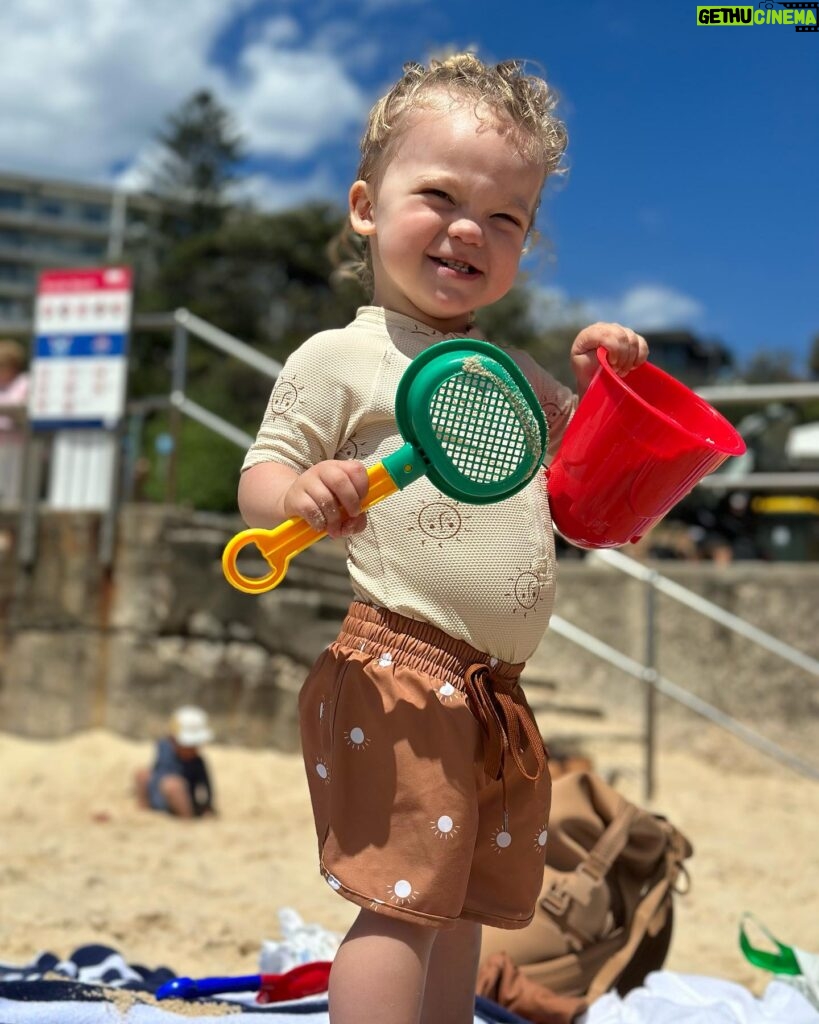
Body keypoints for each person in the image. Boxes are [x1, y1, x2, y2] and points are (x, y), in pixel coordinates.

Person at [238, 53, 648, 1024]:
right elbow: (261, 476)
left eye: (506, 218)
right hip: (398, 669)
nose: (471, 228)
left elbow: (587, 471)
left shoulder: (505, 371)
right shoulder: (345, 355)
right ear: (365, 208)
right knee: (401, 903)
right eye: (440, 196)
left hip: (493, 691)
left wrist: (604, 376)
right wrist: (306, 490)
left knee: (464, 902)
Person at [134, 706, 216, 819]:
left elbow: (206, 786)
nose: (192, 749)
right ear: (173, 740)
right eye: (188, 745)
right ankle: (143, 812)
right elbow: (155, 770)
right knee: (142, 774)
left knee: (174, 785)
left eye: (195, 745)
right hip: (156, 794)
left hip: (179, 801)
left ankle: (186, 818)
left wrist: (207, 805)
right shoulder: (163, 748)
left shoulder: (197, 762)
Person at [0, 339, 29, 509]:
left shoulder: (25, 383)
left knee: (12, 492)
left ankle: (7, 531)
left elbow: (22, 409)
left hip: (15, 445)